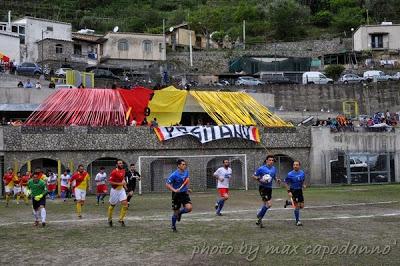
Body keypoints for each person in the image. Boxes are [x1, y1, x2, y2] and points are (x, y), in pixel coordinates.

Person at [252, 155, 280, 228]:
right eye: (269, 160)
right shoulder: (261, 168)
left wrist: (277, 180)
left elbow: (274, 176)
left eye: (272, 160)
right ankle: (259, 215)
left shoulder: (274, 168)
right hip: (263, 188)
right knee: (269, 204)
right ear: (266, 161)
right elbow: (253, 176)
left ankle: (259, 219)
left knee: (265, 205)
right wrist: (258, 179)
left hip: (269, 188)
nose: (271, 161)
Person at [165, 159, 192, 232]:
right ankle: (173, 226)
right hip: (176, 195)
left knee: (189, 208)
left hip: (184, 193)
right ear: (178, 165)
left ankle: (180, 213)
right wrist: (174, 190)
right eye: (183, 164)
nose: (184, 166)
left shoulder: (186, 172)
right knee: (175, 212)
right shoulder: (174, 175)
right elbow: (167, 185)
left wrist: (187, 189)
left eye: (185, 164)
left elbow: (185, 182)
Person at [284, 161, 306, 226]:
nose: (295, 166)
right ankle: (297, 221)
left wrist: (303, 185)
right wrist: (289, 191)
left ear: (299, 166)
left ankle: (289, 203)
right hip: (293, 191)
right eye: (294, 165)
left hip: (299, 191)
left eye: (297, 165)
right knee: (297, 206)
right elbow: (285, 183)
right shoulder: (290, 174)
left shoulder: (302, 173)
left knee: (301, 206)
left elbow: (302, 181)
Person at [108, 160, 128, 227]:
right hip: (114, 191)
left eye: (122, 163)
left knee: (125, 204)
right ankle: (109, 219)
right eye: (119, 163)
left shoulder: (123, 170)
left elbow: (122, 179)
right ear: (117, 165)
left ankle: (121, 219)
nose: (121, 164)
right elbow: (110, 182)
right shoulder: (114, 172)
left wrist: (125, 186)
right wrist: (120, 183)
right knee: (112, 206)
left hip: (121, 190)